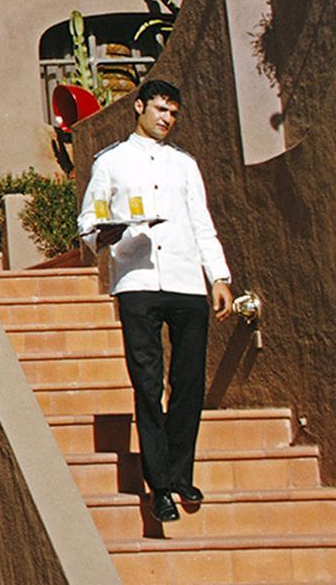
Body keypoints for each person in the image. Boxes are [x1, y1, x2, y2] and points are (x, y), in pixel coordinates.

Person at [78, 77, 234, 524]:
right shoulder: (111, 162)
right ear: (140, 107)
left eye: (173, 113)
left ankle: (181, 473)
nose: (166, 119)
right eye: (160, 109)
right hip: (138, 281)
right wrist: (105, 234)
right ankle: (159, 486)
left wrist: (218, 276)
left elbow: (202, 223)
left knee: (188, 384)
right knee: (147, 384)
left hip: (187, 281)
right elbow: (89, 220)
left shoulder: (185, 165)